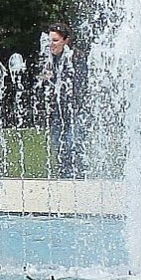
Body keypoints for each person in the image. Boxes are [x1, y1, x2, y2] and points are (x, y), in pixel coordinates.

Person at [43, 25, 81, 178]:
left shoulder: (75, 58)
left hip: (74, 112)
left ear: (65, 41)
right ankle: (65, 179)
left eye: (55, 40)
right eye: (49, 40)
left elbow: (81, 86)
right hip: (56, 113)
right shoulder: (47, 59)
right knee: (59, 148)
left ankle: (78, 179)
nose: (51, 44)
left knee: (73, 146)